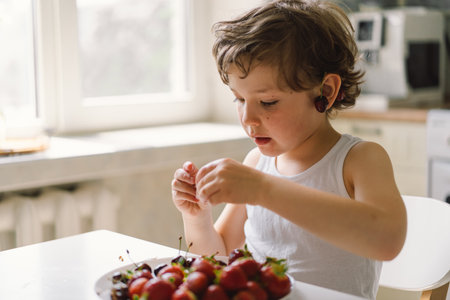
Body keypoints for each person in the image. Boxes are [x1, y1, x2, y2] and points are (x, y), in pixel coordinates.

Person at [171, 0, 407, 299]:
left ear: (326, 91)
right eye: (239, 99)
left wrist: (262, 190)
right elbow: (217, 259)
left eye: (268, 102)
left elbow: (386, 241)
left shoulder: (359, 160)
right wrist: (197, 218)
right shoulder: (256, 163)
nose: (247, 118)